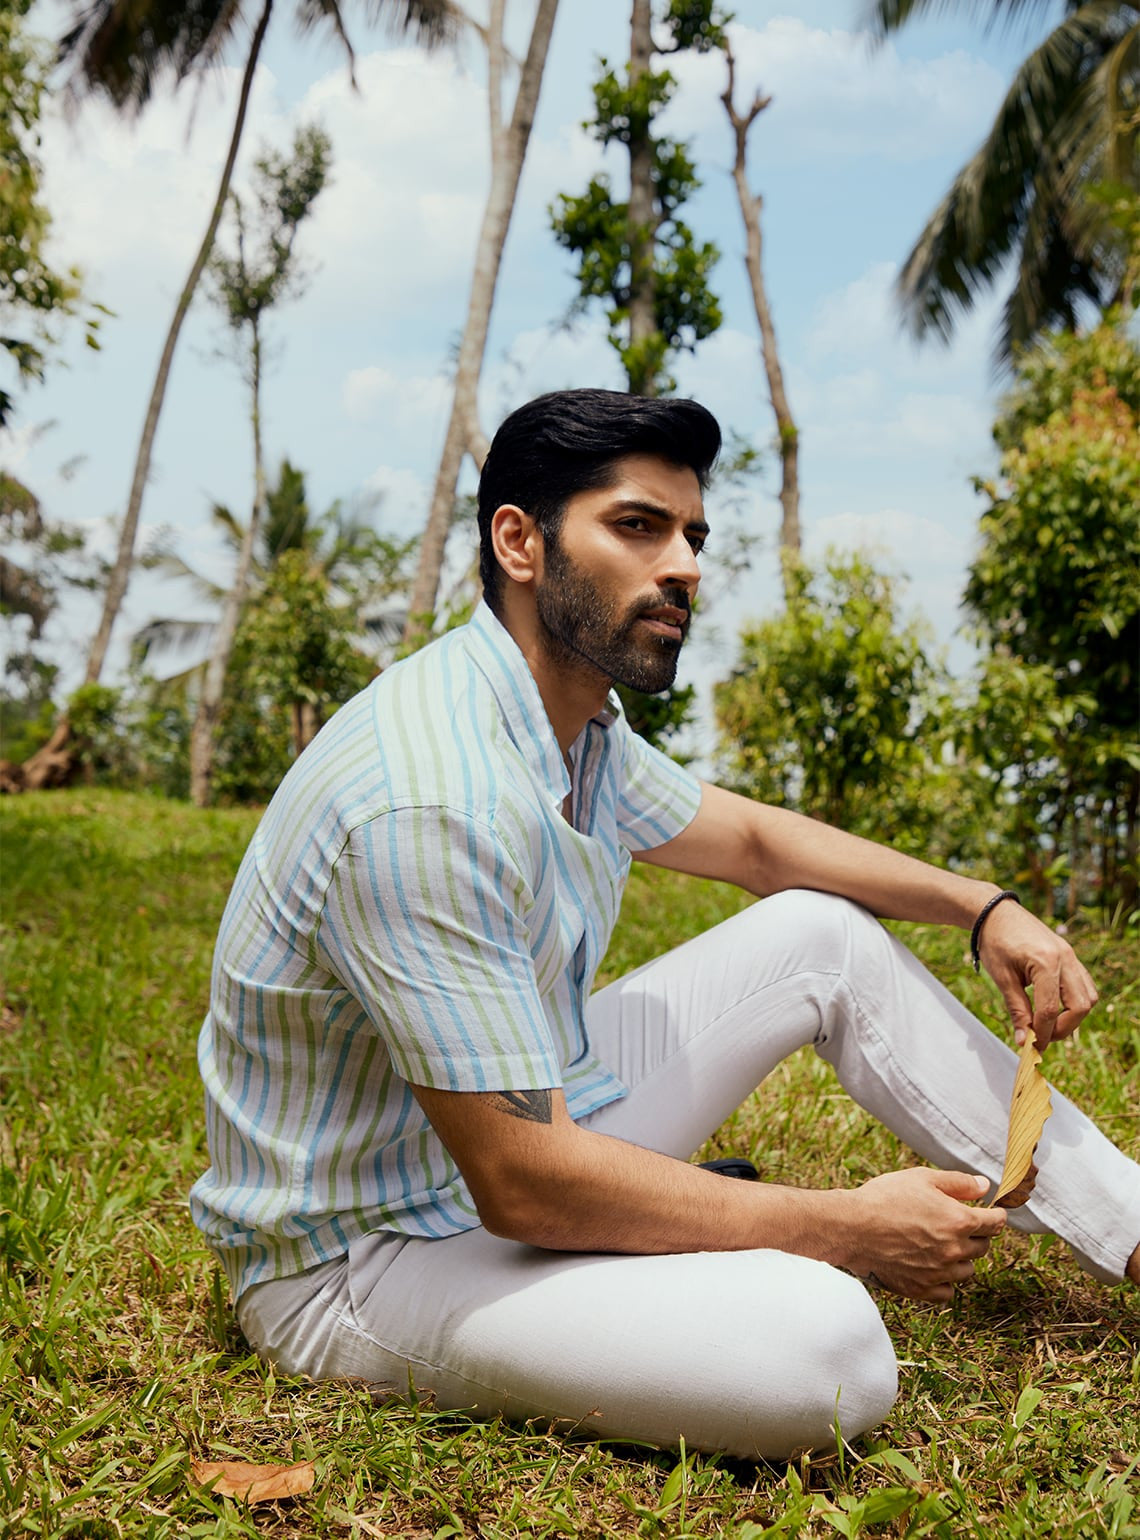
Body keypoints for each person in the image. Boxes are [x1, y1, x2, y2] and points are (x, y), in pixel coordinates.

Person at [190, 388, 1140, 1462]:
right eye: (637, 526)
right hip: (370, 1252)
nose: (683, 564)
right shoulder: (427, 796)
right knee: (832, 1353)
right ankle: (669, 1240)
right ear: (520, 541)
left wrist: (982, 906)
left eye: (691, 535)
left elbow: (752, 843)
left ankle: (1135, 1226)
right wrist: (844, 1225)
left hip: (527, 1134)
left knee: (818, 933)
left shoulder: (571, 721)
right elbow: (522, 1180)